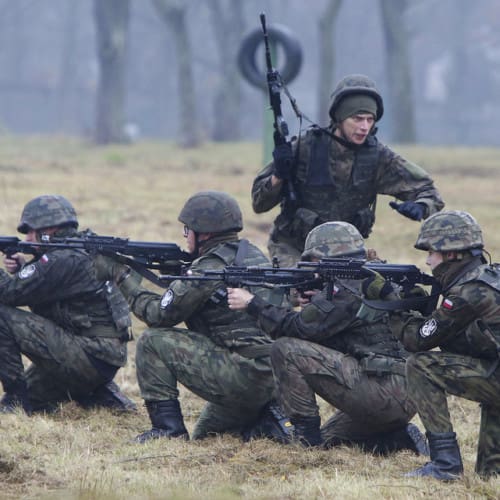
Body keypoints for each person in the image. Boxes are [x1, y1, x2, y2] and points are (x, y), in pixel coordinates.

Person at [94, 191, 289, 443]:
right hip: (274, 376)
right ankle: (266, 422)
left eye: (188, 230)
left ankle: (168, 429)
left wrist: (121, 276)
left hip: (245, 375)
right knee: (207, 436)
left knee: (152, 341)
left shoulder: (208, 268)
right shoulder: (250, 254)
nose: (185, 236)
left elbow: (157, 315)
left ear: (204, 234)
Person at [227, 221, 428, 454]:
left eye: (313, 262)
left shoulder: (347, 287)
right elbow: (334, 334)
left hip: (384, 393)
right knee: (330, 440)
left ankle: (305, 440)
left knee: (285, 349)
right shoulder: (375, 278)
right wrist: (317, 302)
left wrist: (252, 304)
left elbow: (296, 329)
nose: (312, 270)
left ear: (324, 258)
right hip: (407, 393)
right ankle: (397, 438)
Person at [252, 73, 445, 268]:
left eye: (370, 119)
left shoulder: (378, 157)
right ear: (340, 118)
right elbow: (259, 204)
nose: (364, 127)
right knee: (302, 285)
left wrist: (421, 206)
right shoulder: (304, 148)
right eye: (357, 118)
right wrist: (278, 176)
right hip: (294, 250)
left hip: (345, 254)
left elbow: (429, 192)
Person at [363, 210, 500, 480]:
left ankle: (445, 465)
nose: (427, 261)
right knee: (490, 475)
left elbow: (419, 340)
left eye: (431, 252)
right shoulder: (487, 278)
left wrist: (392, 301)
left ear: (451, 253)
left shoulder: (468, 292)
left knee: (421, 366)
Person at [0, 194, 135, 414]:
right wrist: (23, 269)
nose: (27, 239)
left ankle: (15, 400)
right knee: (34, 397)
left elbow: (8, 293)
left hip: (88, 356)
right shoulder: (81, 249)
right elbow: (44, 291)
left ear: (49, 229)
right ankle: (99, 394)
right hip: (99, 357)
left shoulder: (63, 259)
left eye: (31, 231)